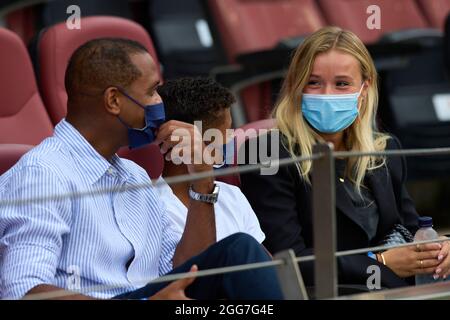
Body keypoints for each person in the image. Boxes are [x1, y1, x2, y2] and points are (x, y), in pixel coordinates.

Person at [0, 38, 283, 300]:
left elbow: (187, 271)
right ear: (113, 101)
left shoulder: (134, 175)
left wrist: (202, 179)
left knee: (236, 252)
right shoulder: (43, 173)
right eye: (151, 92)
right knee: (238, 251)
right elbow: (25, 290)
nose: (160, 103)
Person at [239, 26, 450, 289]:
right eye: (313, 82)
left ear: (364, 89)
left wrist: (440, 249)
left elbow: (410, 230)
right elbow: (289, 262)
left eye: (341, 84)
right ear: (295, 85)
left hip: (398, 289)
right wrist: (378, 261)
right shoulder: (265, 153)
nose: (328, 95)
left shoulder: (385, 150)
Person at [155, 77, 265, 244]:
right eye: (227, 133)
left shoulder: (232, 195)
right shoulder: (153, 207)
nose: (233, 139)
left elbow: (265, 265)